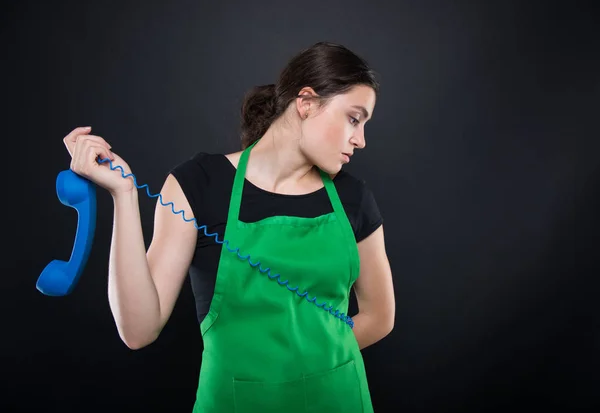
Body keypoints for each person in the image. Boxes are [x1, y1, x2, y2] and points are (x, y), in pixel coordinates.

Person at [63, 41, 395, 412]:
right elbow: (138, 331)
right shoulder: (199, 183)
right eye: (354, 118)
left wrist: (314, 364)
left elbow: (380, 316)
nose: (360, 139)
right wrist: (123, 196)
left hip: (337, 398)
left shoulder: (353, 197)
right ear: (306, 103)